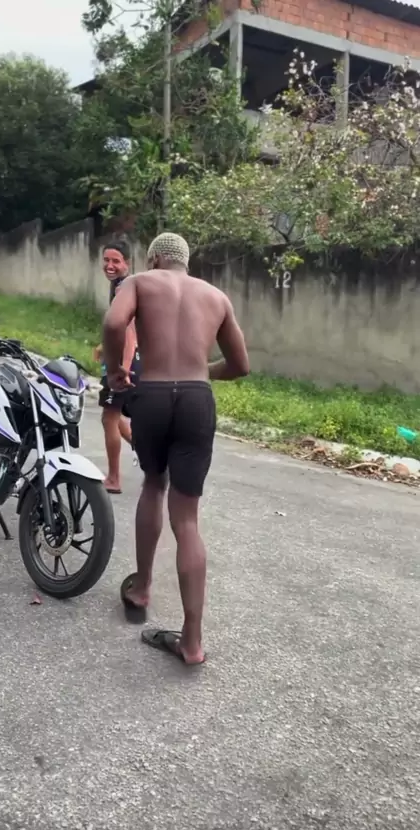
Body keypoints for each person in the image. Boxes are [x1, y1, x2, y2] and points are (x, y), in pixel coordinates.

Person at [103, 232, 249, 666]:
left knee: (153, 484)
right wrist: (200, 370)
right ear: (187, 262)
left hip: (151, 395)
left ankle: (142, 588)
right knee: (187, 518)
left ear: (153, 259)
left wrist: (115, 370)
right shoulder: (216, 297)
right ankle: (192, 641)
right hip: (196, 400)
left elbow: (113, 324)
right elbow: (241, 365)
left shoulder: (140, 282)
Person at [94, 241, 140, 494]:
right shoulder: (121, 285)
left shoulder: (125, 288)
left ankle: (114, 479)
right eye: (106, 260)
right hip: (125, 362)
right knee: (115, 415)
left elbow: (130, 334)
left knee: (109, 417)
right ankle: (148, 453)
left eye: (116, 261)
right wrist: (104, 346)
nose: (110, 265)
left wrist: (123, 368)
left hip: (124, 366)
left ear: (127, 263)